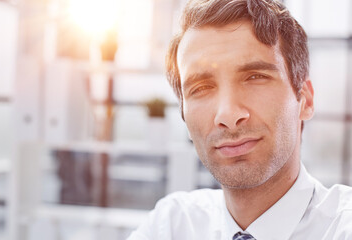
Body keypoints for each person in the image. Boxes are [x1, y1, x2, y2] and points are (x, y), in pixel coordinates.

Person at [128, 0, 352, 239]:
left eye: (255, 77)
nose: (228, 114)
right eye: (201, 88)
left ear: (305, 101)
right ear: (183, 113)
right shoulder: (171, 225)